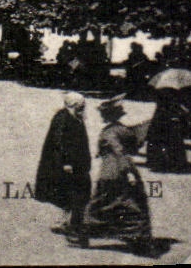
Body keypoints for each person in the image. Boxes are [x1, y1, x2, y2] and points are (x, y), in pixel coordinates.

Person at [82, 96, 153, 253]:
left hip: (111, 173)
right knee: (129, 205)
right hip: (121, 171)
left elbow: (119, 151)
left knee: (103, 203)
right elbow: (132, 144)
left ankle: (83, 229)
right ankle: (135, 236)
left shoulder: (109, 132)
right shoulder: (122, 129)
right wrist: (130, 171)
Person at [35, 92, 91, 247]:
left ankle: (64, 222)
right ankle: (72, 228)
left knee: (72, 194)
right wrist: (66, 162)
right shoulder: (63, 118)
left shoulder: (74, 117)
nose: (83, 109)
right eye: (80, 106)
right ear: (73, 106)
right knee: (76, 193)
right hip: (67, 165)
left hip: (76, 164)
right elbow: (59, 142)